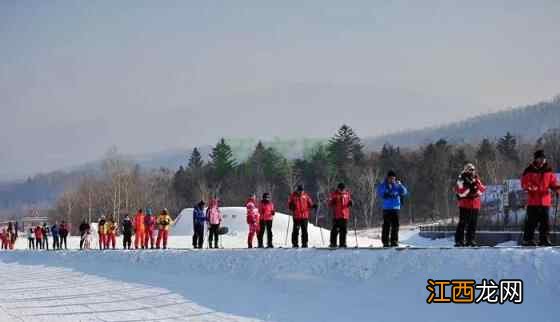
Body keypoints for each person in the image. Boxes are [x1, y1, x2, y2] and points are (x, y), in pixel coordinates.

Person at [521, 150, 560, 246]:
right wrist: (530, 187)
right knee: (531, 222)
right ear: (536, 159)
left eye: (544, 158)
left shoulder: (548, 170)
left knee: (545, 223)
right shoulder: (529, 170)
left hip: (545, 201)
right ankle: (528, 239)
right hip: (533, 201)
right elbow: (524, 183)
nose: (543, 160)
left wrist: (557, 189)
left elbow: (553, 183)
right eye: (541, 158)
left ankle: (544, 239)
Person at [454, 163, 486, 247]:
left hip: (475, 204)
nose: (472, 171)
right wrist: (470, 189)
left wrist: (475, 190)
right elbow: (460, 192)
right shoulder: (461, 179)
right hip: (465, 204)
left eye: (473, 169)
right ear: (466, 170)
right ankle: (459, 240)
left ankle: (470, 240)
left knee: (473, 224)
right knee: (463, 223)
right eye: (470, 169)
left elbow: (482, 189)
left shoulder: (476, 179)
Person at [377, 170, 408, 247]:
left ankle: (394, 241)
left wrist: (400, 185)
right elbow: (380, 192)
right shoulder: (383, 185)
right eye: (390, 178)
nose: (392, 180)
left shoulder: (397, 185)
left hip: (395, 208)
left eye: (393, 178)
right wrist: (386, 193)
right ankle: (385, 241)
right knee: (386, 226)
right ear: (387, 178)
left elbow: (404, 192)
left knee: (395, 226)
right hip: (387, 209)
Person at [329, 183, 353, 248]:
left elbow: (349, 201)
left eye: (343, 189)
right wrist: (332, 202)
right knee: (335, 230)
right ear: (338, 188)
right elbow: (329, 203)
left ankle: (342, 243)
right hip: (336, 215)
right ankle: (333, 243)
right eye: (340, 189)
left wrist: (350, 203)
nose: (342, 190)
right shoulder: (334, 194)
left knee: (344, 230)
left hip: (345, 215)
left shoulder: (347, 194)